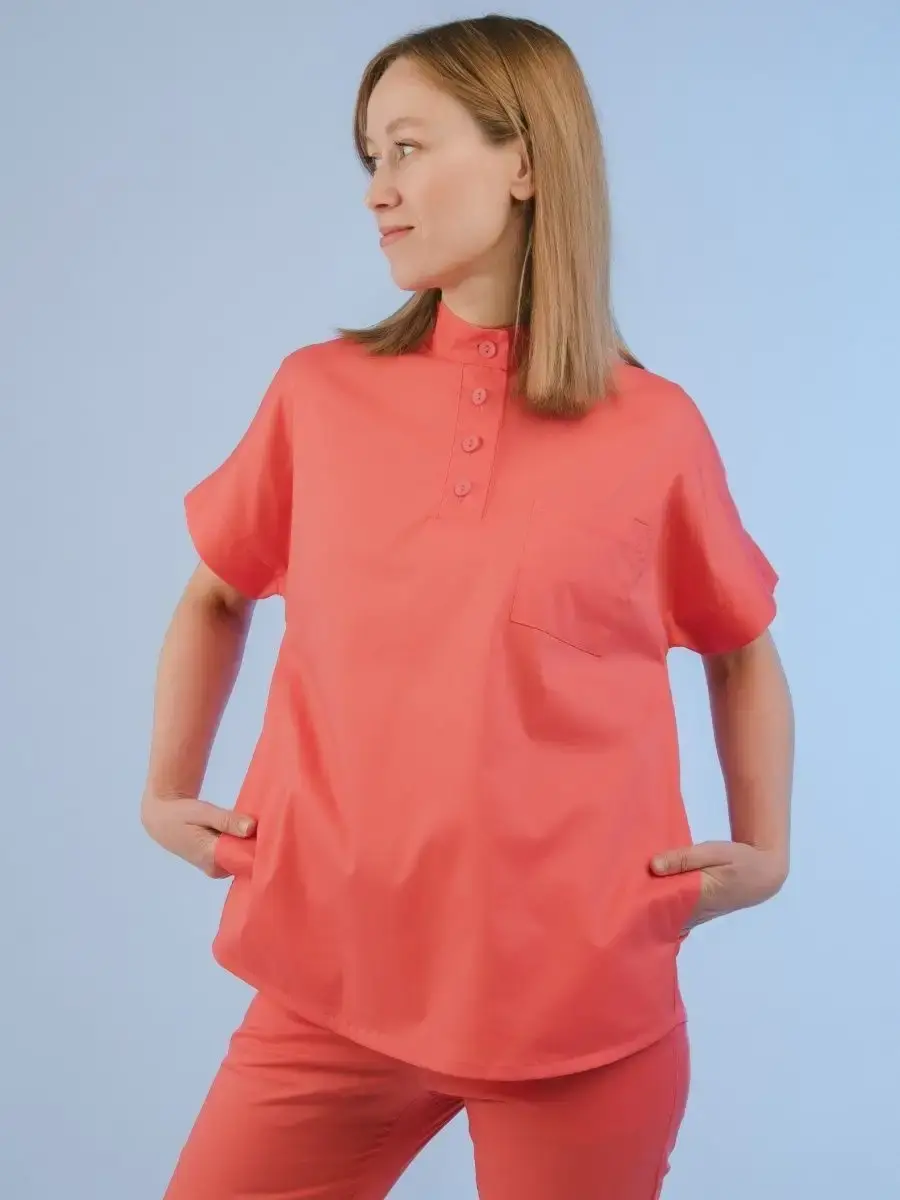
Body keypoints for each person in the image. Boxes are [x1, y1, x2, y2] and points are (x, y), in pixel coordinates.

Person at [142, 14, 794, 1199]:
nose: (377, 191)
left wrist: (767, 853)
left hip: (580, 1010)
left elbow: (741, 648)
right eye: (370, 159)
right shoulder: (316, 397)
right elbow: (215, 592)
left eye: (407, 148)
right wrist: (164, 790)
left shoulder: (655, 430)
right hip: (329, 987)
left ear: (525, 161)